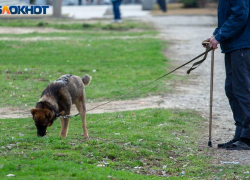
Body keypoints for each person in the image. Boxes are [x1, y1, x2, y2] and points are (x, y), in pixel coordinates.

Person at [205, 0, 250, 150]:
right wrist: (217, 34)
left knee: (243, 91)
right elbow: (228, 16)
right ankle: (240, 135)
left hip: (242, 45)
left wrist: (220, 36)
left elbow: (240, 16)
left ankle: (248, 138)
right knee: (231, 89)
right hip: (233, 46)